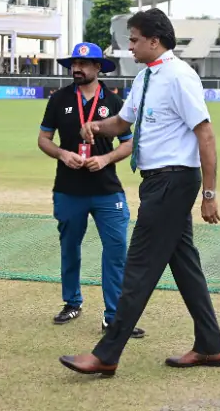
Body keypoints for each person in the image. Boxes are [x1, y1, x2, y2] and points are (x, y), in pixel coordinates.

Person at [58, 8, 220, 376]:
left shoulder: (180, 76)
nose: (128, 46)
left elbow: (206, 134)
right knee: (185, 267)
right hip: (156, 182)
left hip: (173, 180)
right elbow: (122, 122)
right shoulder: (146, 78)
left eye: (133, 39)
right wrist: (96, 127)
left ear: (154, 39)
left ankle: (107, 354)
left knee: (138, 267)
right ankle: (210, 347)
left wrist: (209, 195)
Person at [38, 42, 145, 339]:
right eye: (74, 63)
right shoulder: (59, 99)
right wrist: (61, 154)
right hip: (68, 189)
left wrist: (105, 158)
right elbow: (44, 139)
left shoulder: (113, 101)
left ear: (98, 67)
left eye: (84, 64)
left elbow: (128, 142)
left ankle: (114, 316)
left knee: (116, 251)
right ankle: (72, 302)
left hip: (106, 190)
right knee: (70, 247)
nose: (77, 68)